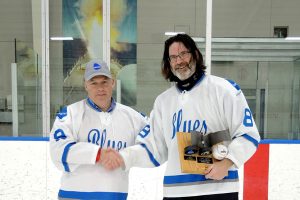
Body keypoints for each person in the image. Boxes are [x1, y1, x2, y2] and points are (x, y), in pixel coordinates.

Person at [107, 34, 261, 200]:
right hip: (176, 192)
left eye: (183, 54)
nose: (179, 61)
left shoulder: (224, 89)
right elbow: (153, 148)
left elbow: (248, 134)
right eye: (173, 57)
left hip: (218, 190)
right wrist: (124, 157)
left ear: (195, 54)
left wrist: (226, 163)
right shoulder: (163, 102)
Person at [49, 59, 148, 200]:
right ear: (86, 85)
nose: (100, 88)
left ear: (112, 83)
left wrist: (128, 156)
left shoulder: (133, 117)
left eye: (104, 82)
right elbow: (57, 151)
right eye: (93, 83)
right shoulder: (70, 114)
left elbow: (156, 141)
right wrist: (98, 154)